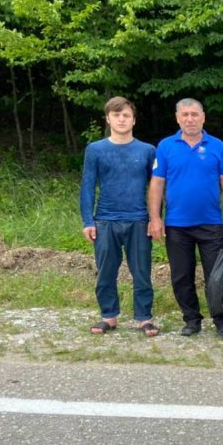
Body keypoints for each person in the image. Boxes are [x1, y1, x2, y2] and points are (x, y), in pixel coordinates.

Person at [147, 98, 223, 338]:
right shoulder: (166, 146)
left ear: (203, 117)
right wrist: (155, 218)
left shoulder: (217, 145)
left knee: (217, 274)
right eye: (185, 115)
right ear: (178, 118)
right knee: (181, 275)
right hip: (177, 224)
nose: (190, 119)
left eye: (194, 114)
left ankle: (222, 321)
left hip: (211, 223)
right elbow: (157, 184)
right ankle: (191, 319)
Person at [80, 96, 158, 336]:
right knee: (106, 272)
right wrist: (87, 221)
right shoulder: (95, 149)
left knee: (142, 272)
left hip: (138, 220)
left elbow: (156, 188)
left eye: (126, 115)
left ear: (133, 120)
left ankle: (144, 318)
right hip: (105, 220)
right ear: (108, 118)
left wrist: (155, 219)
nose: (121, 119)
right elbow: (87, 186)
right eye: (116, 115)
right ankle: (109, 316)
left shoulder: (147, 150)